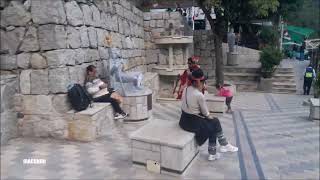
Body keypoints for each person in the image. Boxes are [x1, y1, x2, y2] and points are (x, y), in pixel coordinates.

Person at [179, 68, 238, 161]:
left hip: (183, 121)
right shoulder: (199, 95)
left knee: (213, 123)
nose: (205, 84)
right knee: (214, 122)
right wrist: (211, 118)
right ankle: (222, 146)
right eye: (204, 82)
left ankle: (216, 151)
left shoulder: (186, 89)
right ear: (200, 82)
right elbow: (206, 114)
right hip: (192, 123)